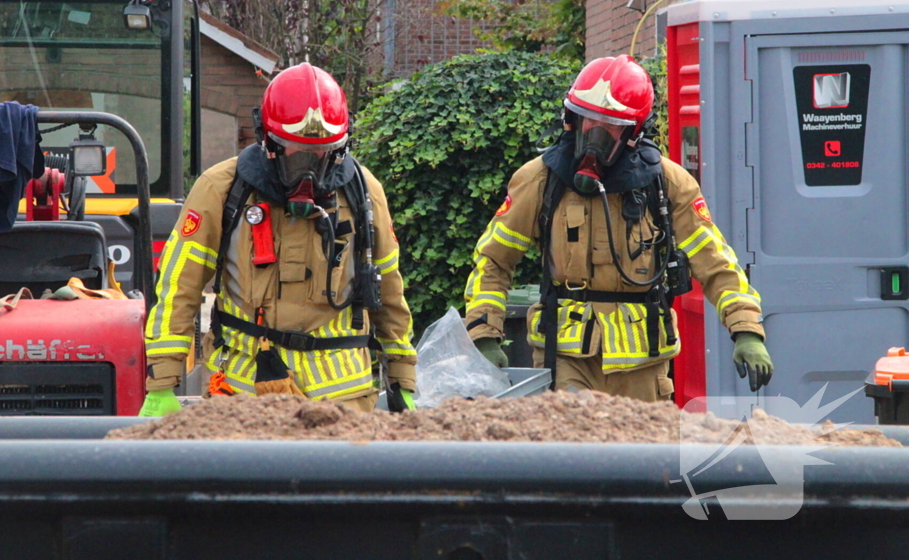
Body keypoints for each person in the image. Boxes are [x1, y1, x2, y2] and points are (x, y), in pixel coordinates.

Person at [464, 55, 773, 400]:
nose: (594, 132)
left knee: (643, 455)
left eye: (610, 124)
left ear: (633, 131)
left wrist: (746, 329)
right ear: (571, 118)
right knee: (570, 450)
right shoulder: (540, 180)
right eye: (587, 119)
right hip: (566, 359)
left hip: (643, 366)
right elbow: (493, 260)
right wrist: (484, 334)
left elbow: (716, 262)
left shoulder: (666, 183)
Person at [139, 64, 416, 416]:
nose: (309, 172)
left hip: (342, 399)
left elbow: (389, 291)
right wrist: (161, 383)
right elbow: (179, 287)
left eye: (321, 155)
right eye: (296, 155)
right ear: (267, 142)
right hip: (242, 393)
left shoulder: (364, 194)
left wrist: (402, 380)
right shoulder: (221, 189)